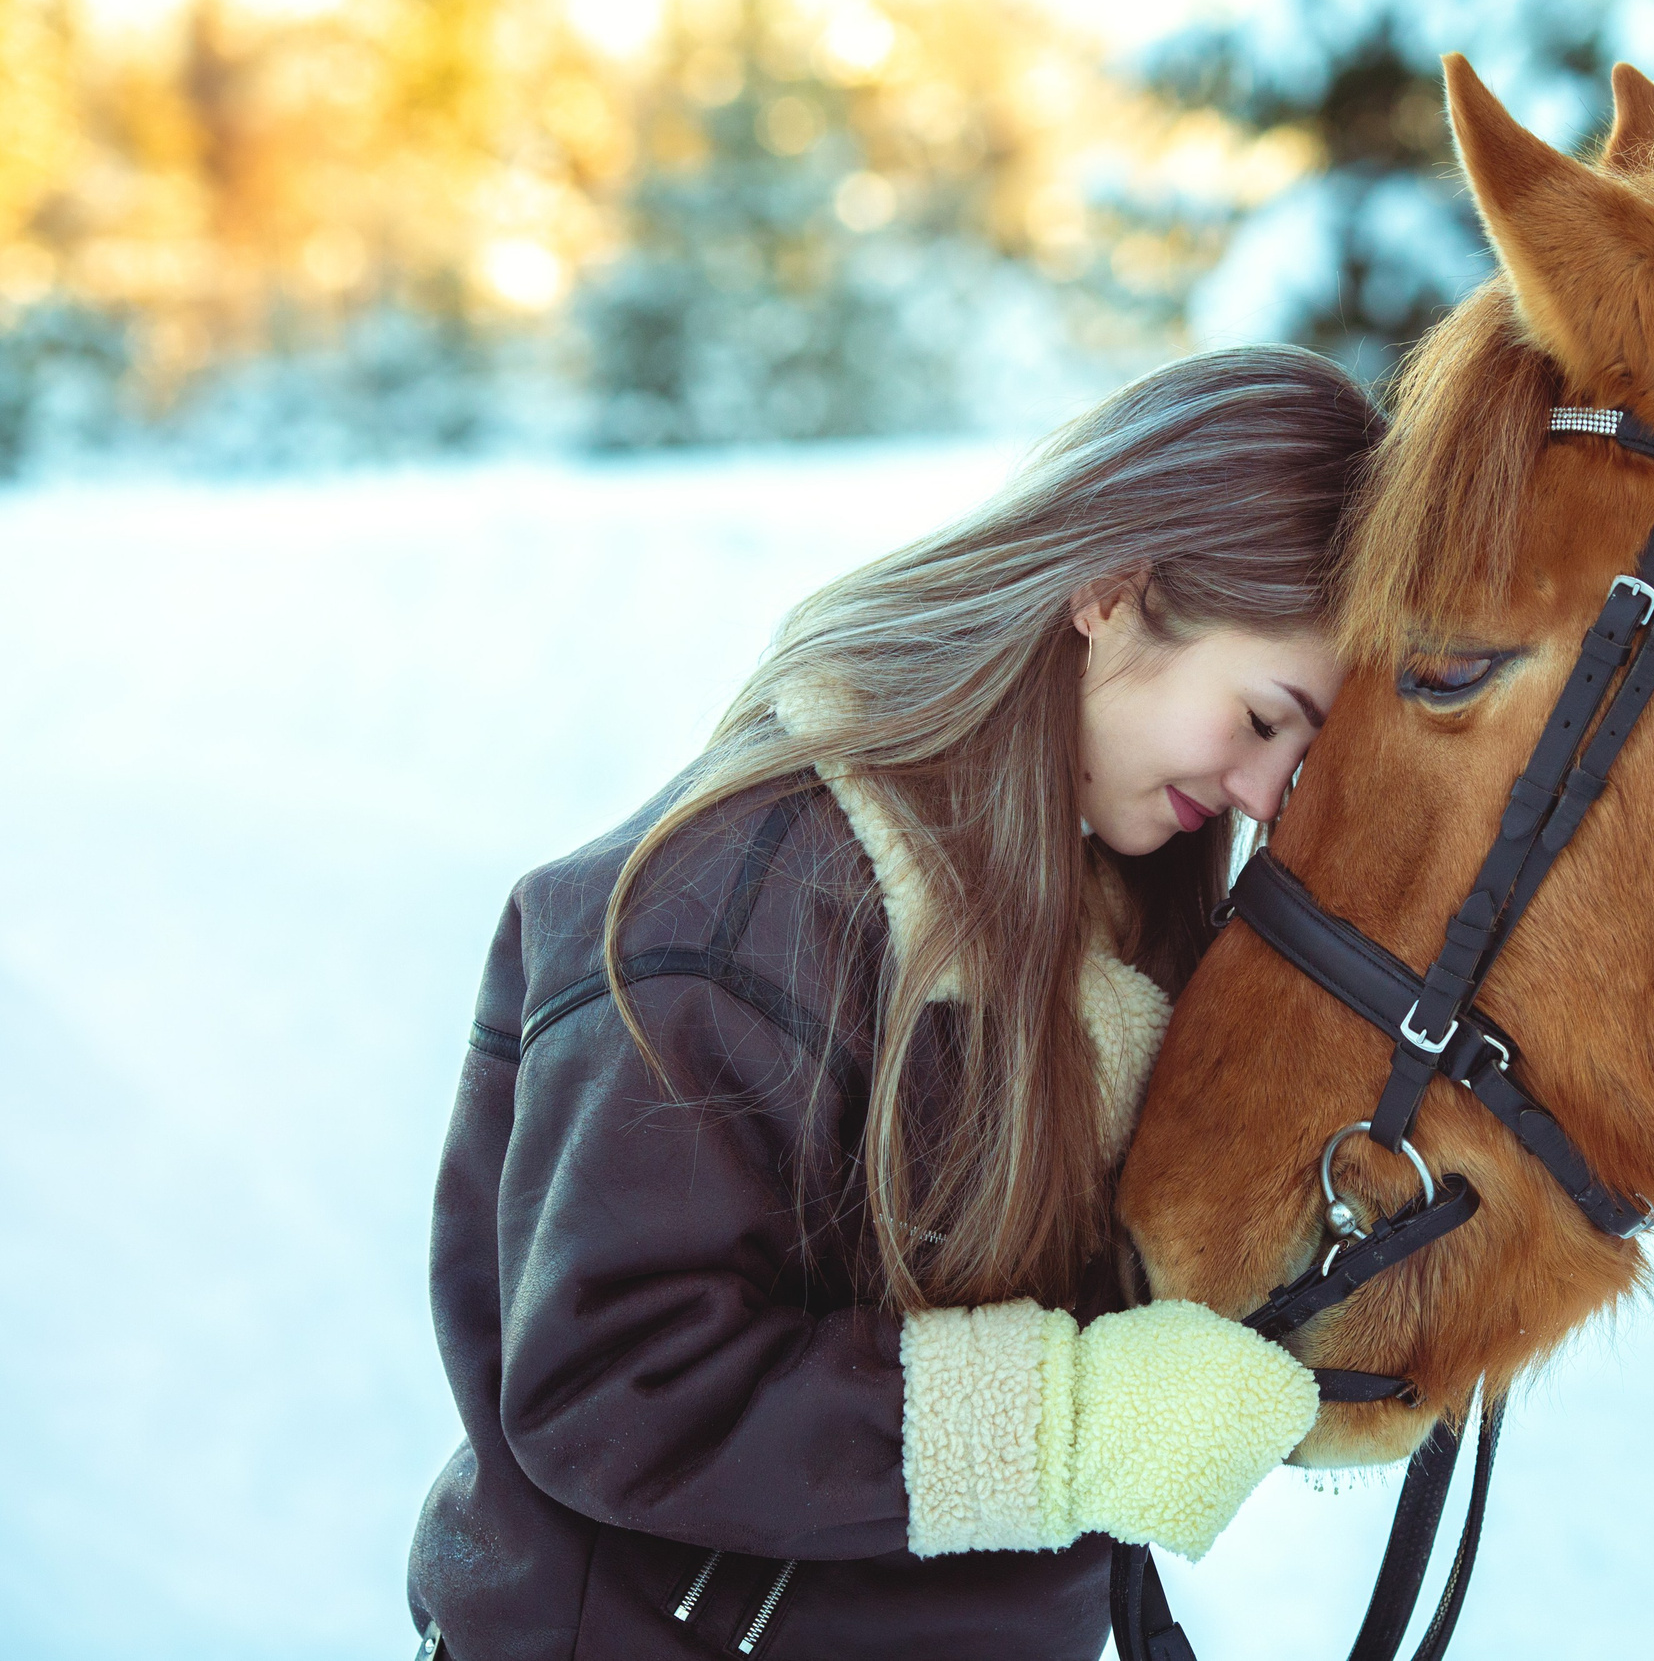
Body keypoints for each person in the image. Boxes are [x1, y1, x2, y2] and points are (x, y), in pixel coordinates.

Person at [407, 347, 1383, 1661]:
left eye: (1301, 762)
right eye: (1266, 717)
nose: (1268, 796)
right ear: (1112, 587)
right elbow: (613, 1391)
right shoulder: (730, 904)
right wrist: (1071, 1427)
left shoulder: (1111, 926)